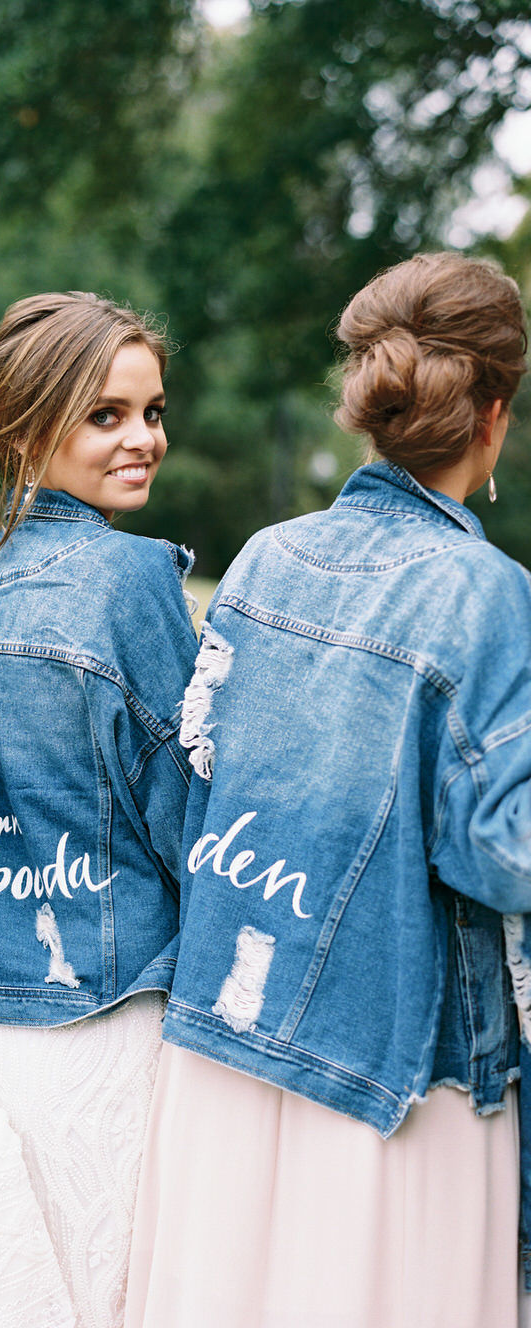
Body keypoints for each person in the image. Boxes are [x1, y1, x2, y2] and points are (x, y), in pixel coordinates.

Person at [126, 252, 531, 1328]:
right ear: (495, 410)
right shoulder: (489, 595)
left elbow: (196, 776)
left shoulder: (263, 557)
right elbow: (503, 846)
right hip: (397, 1073)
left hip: (224, 1025)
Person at [0, 291, 199, 1328]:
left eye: (149, 410)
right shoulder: (131, 579)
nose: (144, 438)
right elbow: (193, 811)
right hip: (112, 1017)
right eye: (106, 415)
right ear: (25, 427)